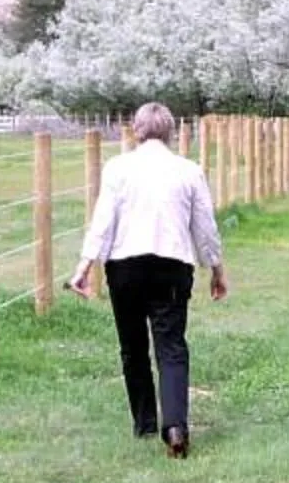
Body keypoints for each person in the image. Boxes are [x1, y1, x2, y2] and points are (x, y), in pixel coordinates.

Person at [67, 102, 226, 457]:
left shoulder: (118, 169)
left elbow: (103, 220)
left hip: (125, 267)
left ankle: (144, 422)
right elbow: (205, 227)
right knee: (171, 347)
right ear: (169, 131)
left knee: (133, 347)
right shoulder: (188, 171)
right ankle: (174, 427)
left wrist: (84, 266)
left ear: (136, 130)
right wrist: (215, 268)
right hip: (172, 265)